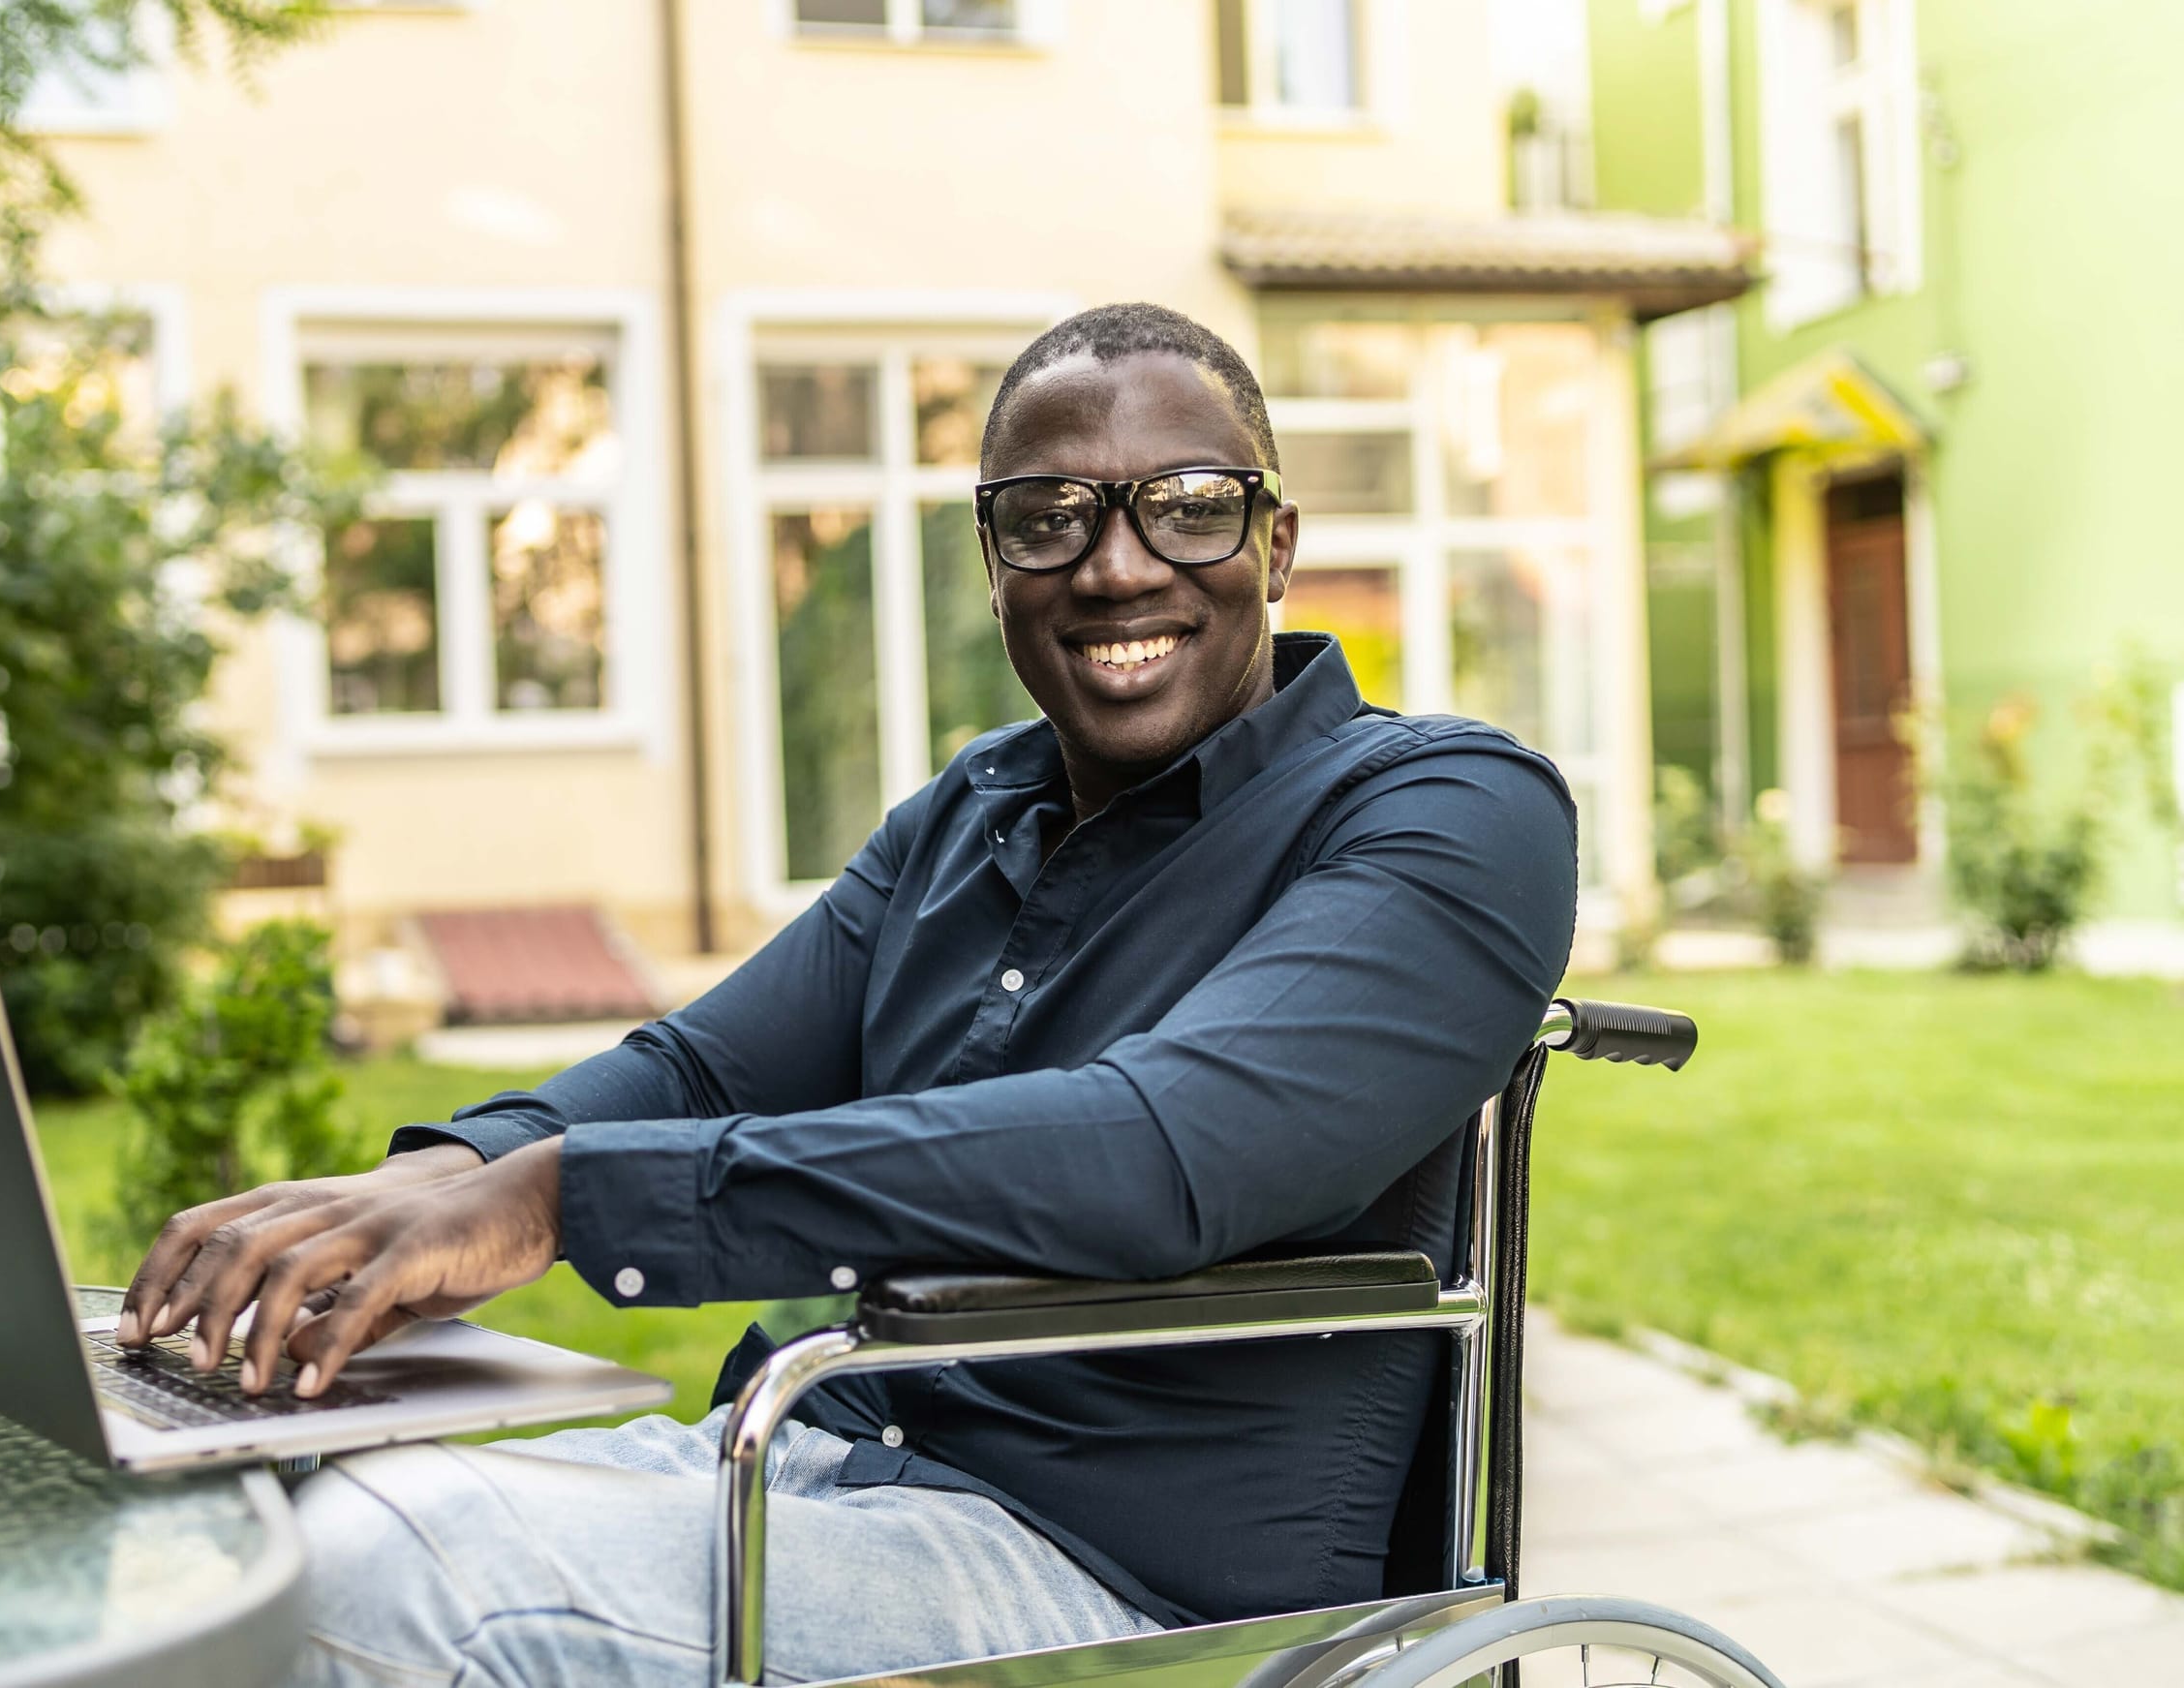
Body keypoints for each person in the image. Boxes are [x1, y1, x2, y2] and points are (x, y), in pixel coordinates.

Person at [119, 302, 1579, 1686]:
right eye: (1046, 518)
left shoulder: (1448, 812)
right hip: (813, 1460)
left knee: (403, 1570)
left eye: (1189, 503)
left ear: (1275, 545)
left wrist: (566, 1199)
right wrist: (447, 1179)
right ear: (994, 562)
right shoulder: (969, 814)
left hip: (1113, 1575)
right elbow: (701, 1072)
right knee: (252, 1487)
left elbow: (1163, 1153)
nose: (1117, 566)